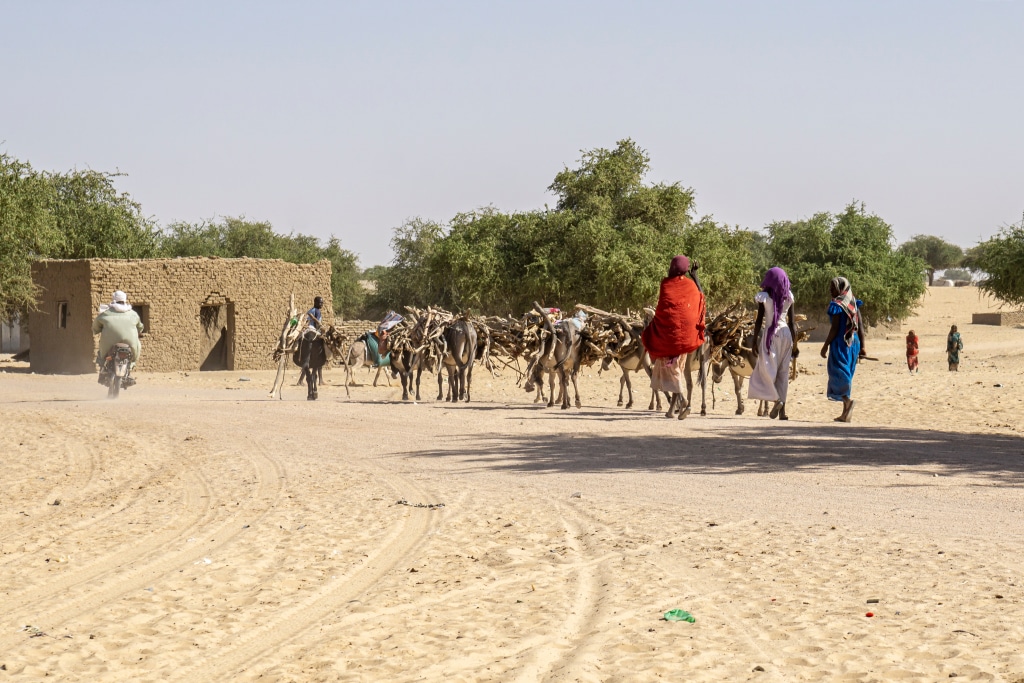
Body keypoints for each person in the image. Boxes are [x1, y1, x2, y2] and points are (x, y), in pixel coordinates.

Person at [641, 255, 706, 419]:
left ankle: (683, 400)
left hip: (667, 339)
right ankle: (672, 409)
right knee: (677, 368)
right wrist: (695, 277)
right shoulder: (690, 285)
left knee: (673, 369)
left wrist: (657, 326)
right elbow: (701, 298)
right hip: (685, 338)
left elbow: (664, 310)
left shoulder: (666, 285)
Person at [749, 267, 798, 420]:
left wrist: (755, 341)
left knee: (767, 371)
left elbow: (759, 321)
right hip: (786, 335)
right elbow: (793, 323)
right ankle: (782, 411)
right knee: (783, 373)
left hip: (772, 335)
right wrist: (795, 344)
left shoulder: (764, 297)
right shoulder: (788, 296)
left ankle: (776, 400)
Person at [820, 276, 866, 423]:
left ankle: (847, 400)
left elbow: (834, 329)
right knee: (847, 372)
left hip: (841, 344)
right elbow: (861, 328)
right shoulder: (852, 303)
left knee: (839, 372)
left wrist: (825, 345)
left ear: (841, 288)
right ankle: (845, 412)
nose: (830, 290)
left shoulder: (838, 305)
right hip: (854, 344)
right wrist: (863, 347)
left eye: (833, 287)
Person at [92, 290, 144, 372]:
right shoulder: (133, 314)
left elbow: (96, 325)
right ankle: (131, 365)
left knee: (102, 354)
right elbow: (140, 326)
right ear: (124, 300)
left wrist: (96, 330)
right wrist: (139, 331)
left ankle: (103, 366)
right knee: (138, 346)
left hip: (109, 343)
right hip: (130, 343)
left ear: (114, 299)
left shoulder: (105, 313)